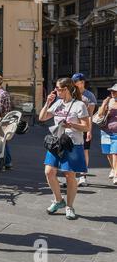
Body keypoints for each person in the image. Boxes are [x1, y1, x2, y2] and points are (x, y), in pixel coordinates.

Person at [39, 78, 90, 220]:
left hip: (73, 144)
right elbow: (42, 118)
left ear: (66, 89)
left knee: (69, 175)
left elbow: (86, 127)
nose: (56, 91)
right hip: (57, 142)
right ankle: (58, 200)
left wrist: (71, 125)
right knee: (49, 172)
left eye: (58, 89)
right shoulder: (57, 104)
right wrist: (48, 102)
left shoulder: (79, 105)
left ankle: (69, 206)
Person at [72, 73, 97, 186]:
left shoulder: (89, 96)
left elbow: (90, 115)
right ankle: (71, 174)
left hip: (84, 127)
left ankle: (83, 175)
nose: (73, 83)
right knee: (71, 150)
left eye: (75, 81)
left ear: (82, 82)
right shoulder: (71, 94)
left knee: (84, 151)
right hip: (72, 127)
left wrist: (89, 131)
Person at [97, 83, 117, 185]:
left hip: (116, 133)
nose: (112, 93)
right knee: (108, 152)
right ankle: (113, 169)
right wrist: (104, 105)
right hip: (105, 131)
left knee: (115, 153)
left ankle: (116, 175)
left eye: (114, 91)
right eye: (111, 91)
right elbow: (100, 114)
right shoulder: (108, 100)